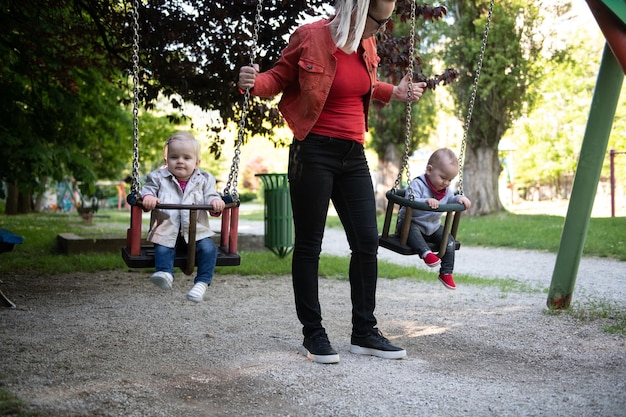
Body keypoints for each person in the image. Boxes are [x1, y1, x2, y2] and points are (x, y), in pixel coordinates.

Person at [238, 0, 427, 364]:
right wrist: (251, 83)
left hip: (352, 154)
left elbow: (362, 88)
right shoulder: (310, 37)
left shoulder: (367, 44)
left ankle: (364, 331)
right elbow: (276, 79)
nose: (383, 29)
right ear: (358, 10)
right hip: (313, 151)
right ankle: (313, 333)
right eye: (380, 21)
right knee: (310, 245)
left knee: (366, 242)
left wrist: (396, 92)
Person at [141, 132, 226, 303]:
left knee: (209, 249)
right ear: (166, 161)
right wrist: (148, 197)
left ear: (197, 163)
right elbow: (147, 190)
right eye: (174, 157)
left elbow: (210, 195)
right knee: (163, 248)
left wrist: (215, 201)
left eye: (186, 157)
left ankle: (202, 283)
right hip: (167, 228)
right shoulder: (158, 178)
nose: (180, 161)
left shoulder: (204, 179)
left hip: (196, 230)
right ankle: (165, 273)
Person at [397, 148, 472, 290]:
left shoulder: (445, 190)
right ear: (429, 170)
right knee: (413, 232)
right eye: (443, 178)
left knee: (449, 241)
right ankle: (426, 253)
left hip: (432, 226)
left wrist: (460, 198)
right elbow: (409, 199)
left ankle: (446, 272)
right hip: (410, 224)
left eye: (450, 180)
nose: (446, 183)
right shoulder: (417, 184)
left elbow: (451, 198)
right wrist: (425, 201)